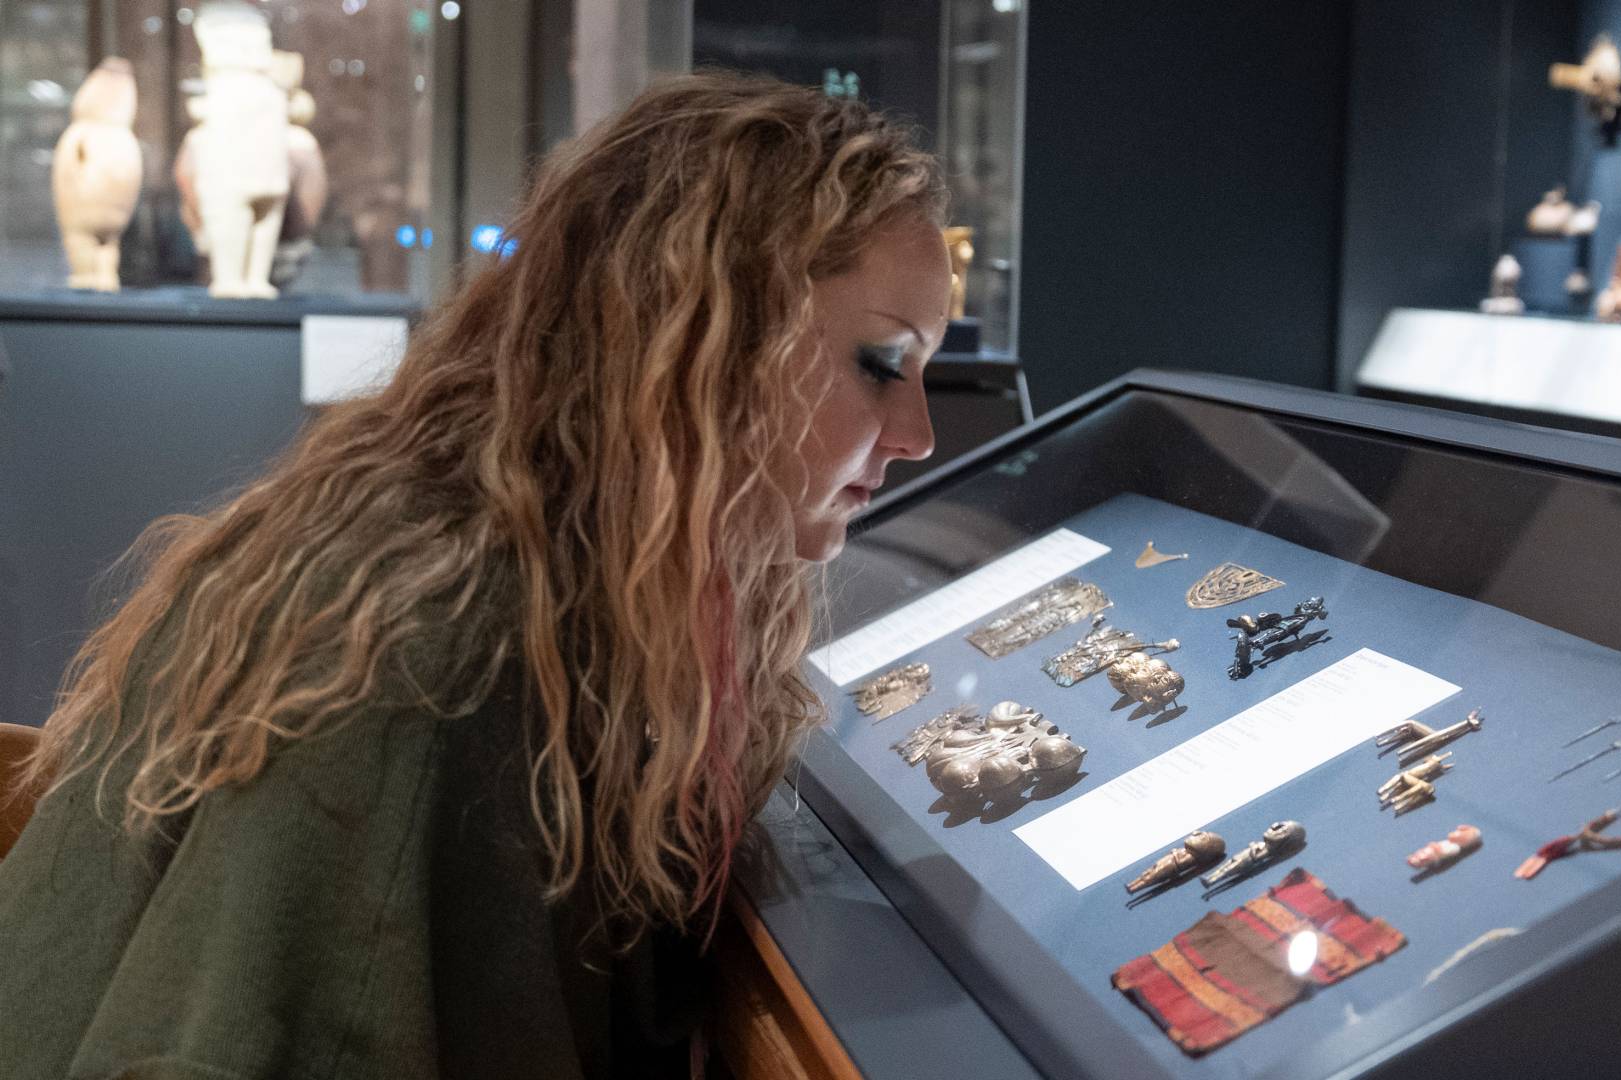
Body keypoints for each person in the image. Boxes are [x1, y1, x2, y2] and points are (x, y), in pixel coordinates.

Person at [0, 71, 950, 1078]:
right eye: (883, 363)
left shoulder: (512, 567)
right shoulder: (439, 652)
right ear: (702, 336)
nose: (920, 435)